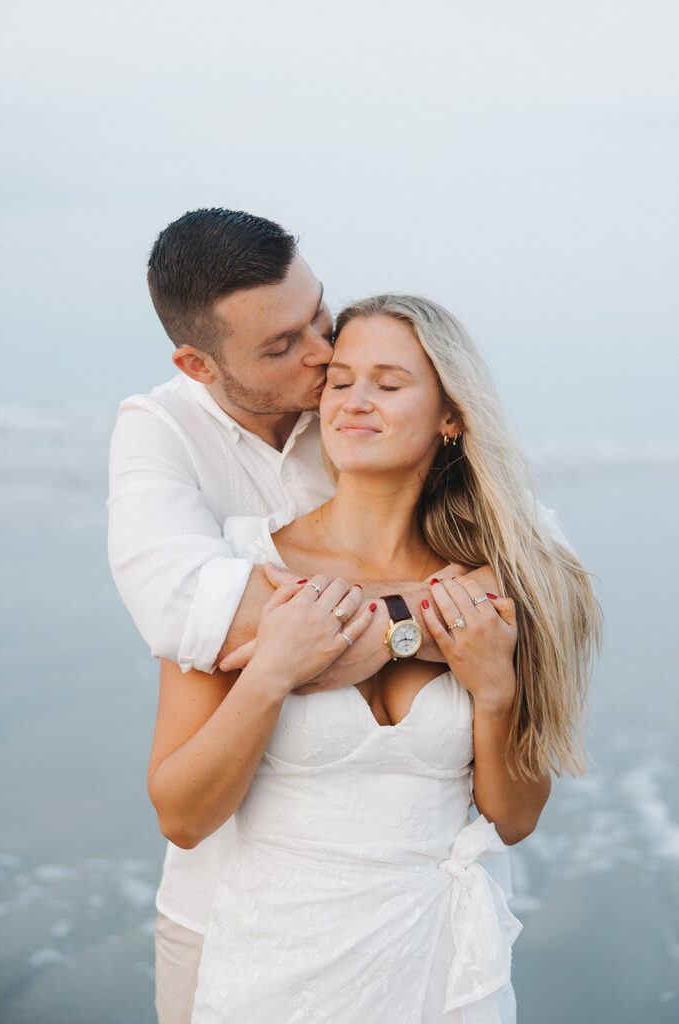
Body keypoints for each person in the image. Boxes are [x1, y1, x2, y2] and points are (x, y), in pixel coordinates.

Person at [148, 295, 602, 1022]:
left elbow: (512, 819)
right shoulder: (244, 569)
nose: (354, 403)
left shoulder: (489, 585)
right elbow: (181, 816)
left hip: (437, 964)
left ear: (450, 416)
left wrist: (494, 693)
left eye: (388, 385)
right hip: (272, 969)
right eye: (339, 382)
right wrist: (270, 675)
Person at [108, 210, 498, 1024]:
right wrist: (424, 627)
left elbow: (528, 574)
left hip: (409, 905)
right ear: (197, 364)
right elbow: (187, 605)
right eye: (282, 346)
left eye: (317, 313)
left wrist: (392, 635)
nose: (324, 355)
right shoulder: (161, 432)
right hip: (224, 911)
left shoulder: (362, 405)